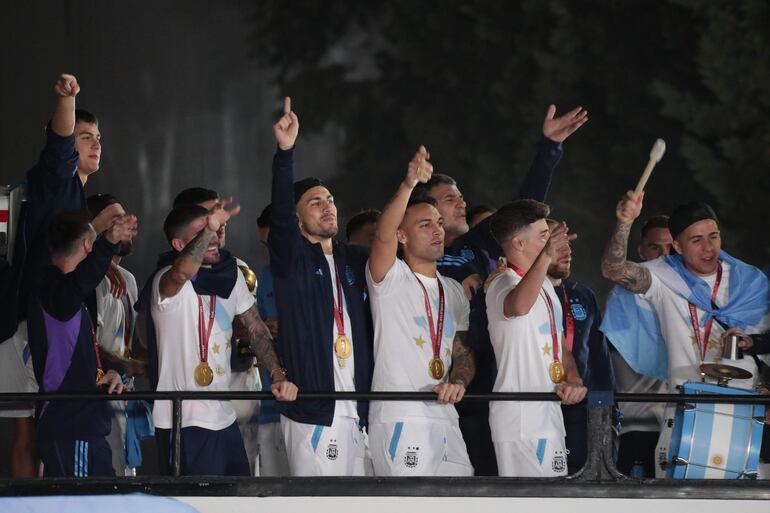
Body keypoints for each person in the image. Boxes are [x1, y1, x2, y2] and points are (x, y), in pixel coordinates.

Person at [417, 104, 588, 476]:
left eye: (461, 195)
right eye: (449, 198)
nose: (461, 202)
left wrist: (550, 149)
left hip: (501, 374)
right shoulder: (415, 263)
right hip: (449, 384)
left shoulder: (484, 246)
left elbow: (520, 215)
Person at [600, 193, 769, 476]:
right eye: (696, 240)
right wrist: (624, 223)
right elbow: (613, 269)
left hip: (743, 412)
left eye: (713, 236)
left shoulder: (750, 281)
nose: (708, 248)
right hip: (683, 411)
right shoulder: (664, 278)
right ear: (677, 245)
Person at [0, 74, 117, 478]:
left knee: (47, 428)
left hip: (58, 319)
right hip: (39, 320)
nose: (96, 143)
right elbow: (58, 151)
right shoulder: (57, 180)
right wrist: (68, 101)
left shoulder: (77, 197)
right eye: (85, 137)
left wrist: (106, 260)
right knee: (34, 430)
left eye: (98, 136)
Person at [150, 200, 296, 476]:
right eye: (203, 231)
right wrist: (210, 228)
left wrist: (278, 374)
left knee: (234, 500)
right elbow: (182, 272)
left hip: (223, 417)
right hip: (183, 421)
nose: (215, 236)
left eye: (216, 230)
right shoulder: (165, 281)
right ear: (180, 245)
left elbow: (255, 328)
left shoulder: (231, 277)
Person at [270, 97, 373, 476]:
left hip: (360, 412)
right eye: (315, 203)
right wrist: (285, 152)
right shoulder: (291, 260)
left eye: (329, 200)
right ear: (297, 220)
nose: (328, 207)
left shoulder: (353, 259)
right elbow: (280, 213)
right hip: (315, 413)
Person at [366, 146, 475, 476]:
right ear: (402, 235)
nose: (438, 231)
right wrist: (409, 183)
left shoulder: (453, 290)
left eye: (439, 223)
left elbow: (464, 353)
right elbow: (382, 236)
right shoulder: (390, 278)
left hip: (445, 415)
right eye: (425, 224)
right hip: (400, 416)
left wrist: (458, 381)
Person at [27, 209, 136, 477]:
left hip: (80, 426)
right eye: (95, 242)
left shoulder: (64, 293)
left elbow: (84, 350)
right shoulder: (53, 289)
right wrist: (108, 244)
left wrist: (113, 371)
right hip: (71, 426)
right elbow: (78, 285)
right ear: (89, 245)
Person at [485, 200, 586, 477]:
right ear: (518, 243)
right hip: (521, 420)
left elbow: (561, 346)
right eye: (544, 237)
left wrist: (573, 379)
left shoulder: (544, 286)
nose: (550, 243)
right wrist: (545, 257)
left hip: (549, 413)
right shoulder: (500, 282)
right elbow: (517, 307)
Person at [173, 186, 263, 475]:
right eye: (211, 216)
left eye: (221, 217)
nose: (220, 224)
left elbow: (253, 324)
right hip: (193, 402)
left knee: (247, 475)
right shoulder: (172, 274)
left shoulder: (237, 268)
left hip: (241, 380)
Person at [543, 218, 616, 474]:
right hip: (539, 403)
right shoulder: (518, 294)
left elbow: (598, 356)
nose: (567, 252)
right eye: (558, 245)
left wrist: (609, 409)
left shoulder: (582, 294)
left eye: (568, 246)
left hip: (581, 407)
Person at [87, 194, 149, 475]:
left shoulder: (129, 279)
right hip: (99, 393)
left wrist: (149, 361)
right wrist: (123, 365)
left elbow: (130, 340)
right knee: (106, 479)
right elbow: (88, 344)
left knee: (126, 475)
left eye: (124, 218)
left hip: (125, 392)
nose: (124, 225)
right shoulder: (89, 281)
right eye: (115, 221)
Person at [608, 215, 671, 478]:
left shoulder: (691, 292)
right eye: (656, 247)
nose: (664, 254)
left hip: (682, 426)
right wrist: (624, 221)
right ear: (641, 251)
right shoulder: (627, 293)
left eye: (670, 247)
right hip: (639, 428)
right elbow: (614, 268)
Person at [254, 203, 290, 476]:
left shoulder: (323, 270)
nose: (271, 252)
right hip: (271, 403)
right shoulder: (265, 276)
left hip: (311, 401)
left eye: (275, 243)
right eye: (266, 245)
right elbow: (257, 329)